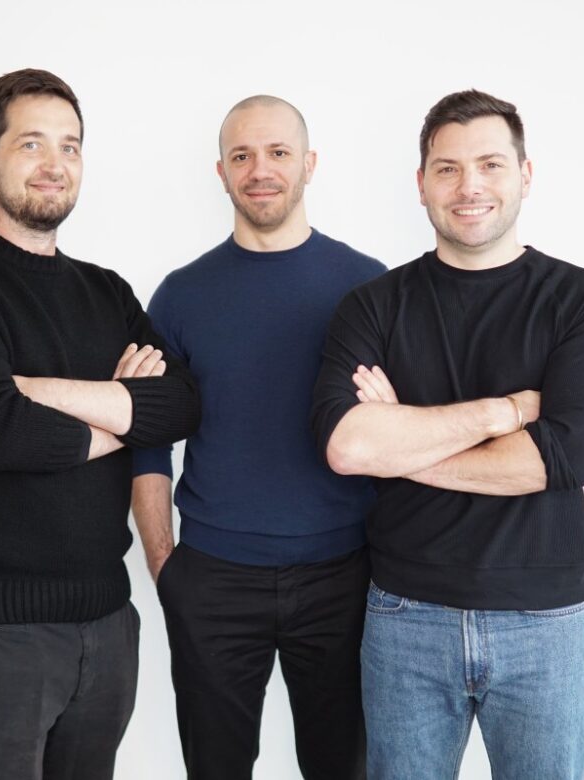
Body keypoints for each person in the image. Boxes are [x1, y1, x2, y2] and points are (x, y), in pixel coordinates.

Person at [311, 89, 584, 779]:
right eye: (448, 168)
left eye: (490, 164)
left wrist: (401, 442)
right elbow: (348, 446)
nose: (469, 186)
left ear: (525, 174)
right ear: (421, 183)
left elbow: (559, 460)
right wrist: (502, 413)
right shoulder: (373, 306)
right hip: (405, 616)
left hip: (544, 621)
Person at [0, 68, 200, 780]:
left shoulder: (107, 291)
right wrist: (123, 413)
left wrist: (37, 391)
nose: (54, 163)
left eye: (70, 146)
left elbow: (182, 405)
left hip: (108, 621)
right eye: (31, 143)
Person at [131, 95, 385, 779]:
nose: (260, 170)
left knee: (343, 768)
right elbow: (148, 441)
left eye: (277, 152)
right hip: (213, 578)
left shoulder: (368, 286)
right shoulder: (180, 295)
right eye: (241, 155)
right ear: (221, 172)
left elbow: (400, 430)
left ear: (309, 163)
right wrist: (164, 564)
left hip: (344, 575)